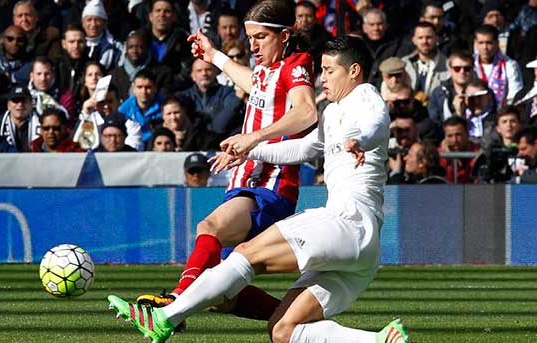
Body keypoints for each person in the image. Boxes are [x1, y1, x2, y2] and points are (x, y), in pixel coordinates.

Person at [108, 35, 412, 343]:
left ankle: (164, 317)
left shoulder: (365, 96)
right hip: (361, 251)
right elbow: (305, 148)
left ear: (354, 71)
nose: (322, 78)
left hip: (347, 222)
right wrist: (249, 148)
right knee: (283, 330)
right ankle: (379, 341)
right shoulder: (333, 112)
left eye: (329, 70)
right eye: (321, 70)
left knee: (245, 254)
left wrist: (360, 141)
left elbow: (375, 123)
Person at [134, 0, 317, 324]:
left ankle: (177, 300)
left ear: (285, 35)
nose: (253, 45)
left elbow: (306, 111)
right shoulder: (267, 71)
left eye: (260, 37)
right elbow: (254, 83)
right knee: (221, 295)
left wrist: (253, 139)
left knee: (209, 227)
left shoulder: (296, 63)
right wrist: (213, 55)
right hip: (247, 181)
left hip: (269, 184)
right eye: (250, 38)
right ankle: (300, 322)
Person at [177, 58, 242, 136]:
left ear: (215, 73)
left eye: (208, 70)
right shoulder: (184, 97)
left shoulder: (228, 93)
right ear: (193, 76)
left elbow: (224, 121)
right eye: (199, 70)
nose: (204, 73)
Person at [473, 24, 523, 109]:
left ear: (497, 43)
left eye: (489, 43)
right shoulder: (470, 64)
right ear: (475, 43)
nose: (485, 47)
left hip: (501, 114)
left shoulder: (509, 65)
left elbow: (515, 97)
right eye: (481, 43)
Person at [401, 22, 449, 102]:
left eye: (429, 37)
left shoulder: (447, 64)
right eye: (420, 38)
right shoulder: (404, 63)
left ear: (436, 39)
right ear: (414, 40)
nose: (425, 41)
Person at [118, 70, 163, 150]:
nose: (144, 91)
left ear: (155, 88)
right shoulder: (124, 109)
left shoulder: (164, 106)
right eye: (139, 87)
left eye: (148, 87)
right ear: (133, 88)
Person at [428, 50, 475, 127]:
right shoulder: (438, 93)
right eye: (457, 68)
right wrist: (458, 114)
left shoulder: (482, 91)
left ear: (473, 69)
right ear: (450, 70)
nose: (462, 72)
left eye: (467, 68)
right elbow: (434, 124)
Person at [81, 0, 123, 71]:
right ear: (83, 23)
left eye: (97, 20)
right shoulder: (76, 44)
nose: (93, 24)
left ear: (104, 23)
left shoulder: (116, 46)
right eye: (89, 20)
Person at [0, 85, 40, 152]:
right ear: (8, 105)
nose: (20, 104)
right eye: (16, 100)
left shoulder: (42, 123)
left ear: (31, 104)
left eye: (24, 101)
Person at [438, 116, 480, 183]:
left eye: (458, 135)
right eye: (450, 136)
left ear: (467, 134)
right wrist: (448, 159)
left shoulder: (477, 153)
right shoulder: (439, 155)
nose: (455, 140)